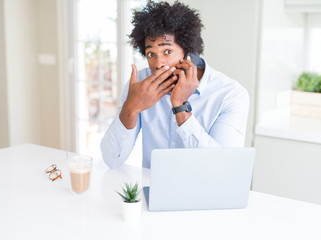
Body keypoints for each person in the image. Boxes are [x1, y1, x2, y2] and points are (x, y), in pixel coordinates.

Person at [101, 1, 249, 169]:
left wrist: (180, 107)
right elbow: (111, 159)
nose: (158, 64)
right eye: (151, 54)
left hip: (205, 192)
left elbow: (223, 168)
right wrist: (130, 109)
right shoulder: (140, 86)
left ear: (188, 51)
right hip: (154, 190)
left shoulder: (230, 95)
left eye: (167, 51)